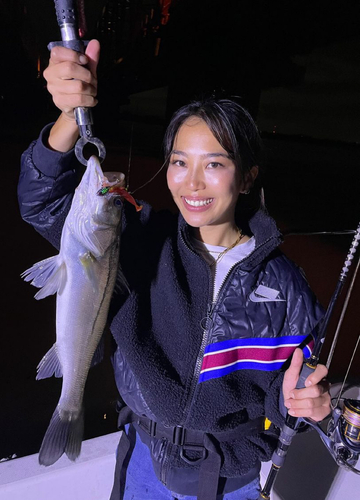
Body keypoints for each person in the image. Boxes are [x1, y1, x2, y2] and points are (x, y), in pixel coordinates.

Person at [18, 40, 331, 500]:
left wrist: (306, 402)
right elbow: (41, 200)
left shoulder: (285, 288)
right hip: (146, 460)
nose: (193, 183)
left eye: (215, 164)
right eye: (180, 162)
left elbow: (287, 401)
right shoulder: (141, 239)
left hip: (234, 481)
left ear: (246, 178)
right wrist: (69, 117)